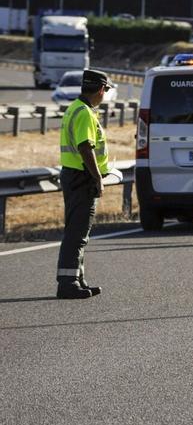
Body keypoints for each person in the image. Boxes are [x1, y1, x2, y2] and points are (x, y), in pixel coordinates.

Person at [56, 69, 114, 299]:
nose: (105, 95)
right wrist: (98, 177)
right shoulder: (85, 113)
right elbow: (84, 147)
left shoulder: (75, 108)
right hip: (81, 177)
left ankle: (77, 279)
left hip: (74, 176)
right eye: (106, 90)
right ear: (101, 89)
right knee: (77, 233)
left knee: (78, 231)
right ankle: (68, 283)